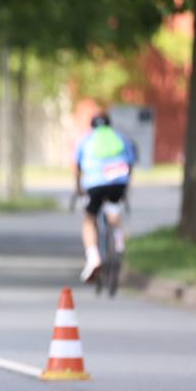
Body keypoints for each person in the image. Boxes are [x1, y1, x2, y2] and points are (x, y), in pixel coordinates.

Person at [74, 112, 137, 282]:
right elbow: (130, 163)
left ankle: (93, 257)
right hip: (118, 180)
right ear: (109, 124)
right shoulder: (121, 138)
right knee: (113, 210)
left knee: (89, 219)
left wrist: (79, 189)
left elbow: (78, 167)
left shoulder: (85, 140)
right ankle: (118, 241)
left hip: (94, 182)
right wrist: (126, 185)